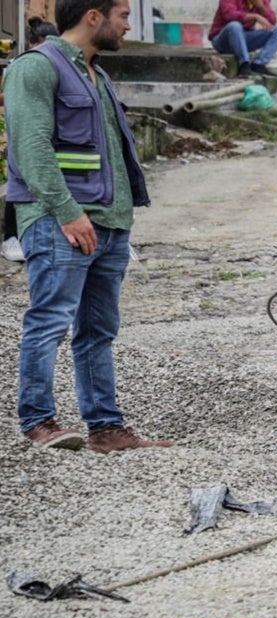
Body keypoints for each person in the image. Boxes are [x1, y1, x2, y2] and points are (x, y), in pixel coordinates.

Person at [4, 0, 174, 452]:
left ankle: (105, 428)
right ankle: (38, 421)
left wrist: (121, 219)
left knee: (98, 329)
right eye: (123, 14)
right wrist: (66, 212)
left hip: (109, 224)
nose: (129, 24)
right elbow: (31, 146)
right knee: (49, 320)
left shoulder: (96, 74)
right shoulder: (36, 68)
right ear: (93, 16)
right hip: (61, 222)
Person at [1, 17, 60, 264]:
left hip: (44, 129)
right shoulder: (20, 66)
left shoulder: (57, 65)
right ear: (31, 44)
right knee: (20, 180)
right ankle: (11, 237)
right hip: (21, 127)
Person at [208, 0, 277, 78]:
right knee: (235, 26)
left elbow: (272, 21)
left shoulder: (262, 1)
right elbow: (230, 15)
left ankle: (259, 64)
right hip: (223, 39)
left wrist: (261, 7)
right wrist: (255, 16)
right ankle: (244, 64)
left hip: (243, 39)